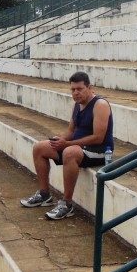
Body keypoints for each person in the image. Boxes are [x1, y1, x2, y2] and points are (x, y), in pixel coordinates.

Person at [21, 71, 114, 220]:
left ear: (89, 87)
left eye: (79, 89)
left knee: (69, 152)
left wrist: (68, 144)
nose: (76, 93)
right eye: (73, 90)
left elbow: (98, 137)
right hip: (77, 147)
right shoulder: (78, 105)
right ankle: (44, 195)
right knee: (40, 147)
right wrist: (60, 141)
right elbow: (71, 131)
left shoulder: (100, 105)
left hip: (100, 152)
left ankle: (67, 204)